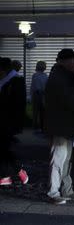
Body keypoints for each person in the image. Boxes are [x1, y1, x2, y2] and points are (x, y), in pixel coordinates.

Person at [45, 49, 74, 204]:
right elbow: (71, 101)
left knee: (66, 159)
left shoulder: (64, 76)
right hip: (60, 124)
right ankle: (53, 192)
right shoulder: (60, 78)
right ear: (64, 61)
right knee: (59, 158)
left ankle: (66, 190)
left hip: (66, 124)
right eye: (72, 60)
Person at [0, 57, 28, 186]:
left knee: (4, 148)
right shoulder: (7, 80)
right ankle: (10, 174)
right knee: (4, 148)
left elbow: (17, 104)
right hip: (5, 120)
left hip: (7, 121)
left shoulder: (15, 81)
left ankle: (13, 172)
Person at [30, 61, 48, 132]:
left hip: (39, 94)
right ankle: (40, 127)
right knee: (41, 111)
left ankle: (37, 127)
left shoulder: (36, 75)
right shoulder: (44, 75)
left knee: (37, 111)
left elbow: (33, 86)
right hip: (39, 94)